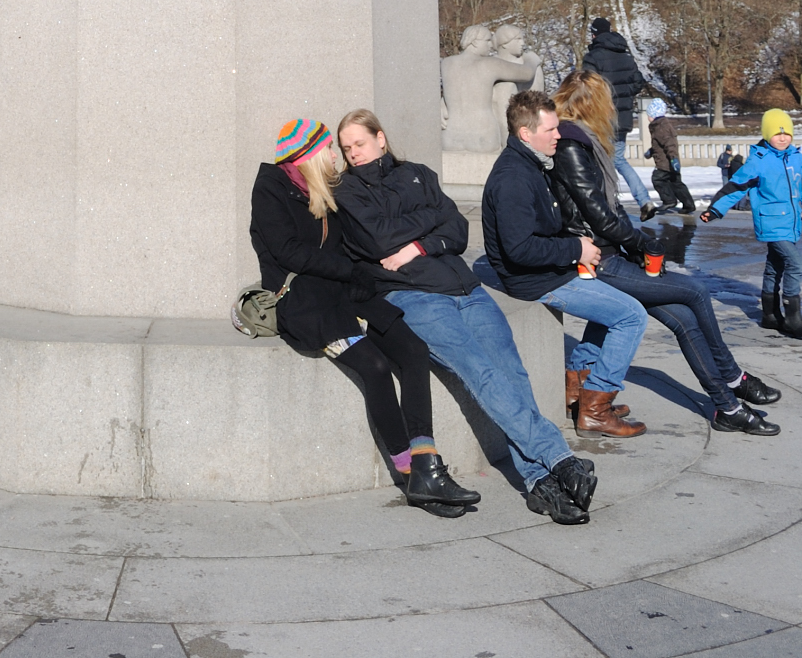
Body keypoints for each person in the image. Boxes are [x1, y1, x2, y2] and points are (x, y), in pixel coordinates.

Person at [333, 108, 597, 526]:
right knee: (481, 372)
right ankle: (560, 460)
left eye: (360, 144)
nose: (354, 154)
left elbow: (457, 228)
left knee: (512, 372)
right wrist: (431, 222)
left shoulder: (418, 173)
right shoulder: (347, 191)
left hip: (466, 288)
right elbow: (380, 239)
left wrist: (419, 245)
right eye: (347, 148)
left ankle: (540, 483)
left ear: (380, 138)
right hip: (414, 296)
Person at [249, 118, 476, 516]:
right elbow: (288, 253)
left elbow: (351, 245)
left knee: (413, 351)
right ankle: (410, 475)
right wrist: (350, 271)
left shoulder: (327, 189)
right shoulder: (272, 187)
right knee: (375, 366)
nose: (337, 156)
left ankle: (427, 464)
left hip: (346, 289)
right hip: (306, 303)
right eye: (330, 149)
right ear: (310, 153)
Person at [550, 72, 778, 435]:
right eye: (609, 103)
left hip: (607, 253)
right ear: (594, 105)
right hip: (597, 260)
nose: (614, 111)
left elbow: (606, 209)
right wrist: (641, 243)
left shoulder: (581, 140)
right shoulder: (572, 143)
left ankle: (726, 404)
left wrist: (634, 243)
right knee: (695, 292)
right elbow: (597, 213)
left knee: (683, 318)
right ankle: (731, 384)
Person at [482, 88, 650, 438]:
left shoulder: (531, 163)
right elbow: (519, 250)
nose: (559, 135)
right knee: (632, 315)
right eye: (551, 130)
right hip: (533, 279)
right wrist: (575, 249)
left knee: (613, 308)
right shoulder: (514, 178)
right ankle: (596, 410)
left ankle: (579, 391)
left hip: (547, 270)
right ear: (526, 133)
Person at [702, 110, 802, 338]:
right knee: (795, 263)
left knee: (775, 265)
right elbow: (736, 186)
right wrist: (715, 209)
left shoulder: (796, 158)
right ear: (767, 135)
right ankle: (793, 318)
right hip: (771, 223)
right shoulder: (759, 161)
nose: (783, 138)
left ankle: (770, 315)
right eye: (777, 133)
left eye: (787, 133)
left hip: (791, 222)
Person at [581, 17, 652, 215]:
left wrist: (607, 96)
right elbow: (638, 82)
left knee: (600, 162)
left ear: (594, 34)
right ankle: (644, 200)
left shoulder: (593, 57)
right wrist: (623, 94)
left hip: (601, 118)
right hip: (623, 119)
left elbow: (588, 88)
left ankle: (608, 206)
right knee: (618, 160)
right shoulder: (625, 55)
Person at [645, 98, 698, 216]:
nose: (648, 117)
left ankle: (669, 200)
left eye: (649, 115)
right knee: (676, 183)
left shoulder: (660, 127)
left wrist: (673, 159)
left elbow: (670, 144)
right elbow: (660, 144)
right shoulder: (660, 125)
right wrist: (651, 151)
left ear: (654, 115)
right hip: (670, 160)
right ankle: (688, 205)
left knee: (657, 179)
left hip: (666, 162)